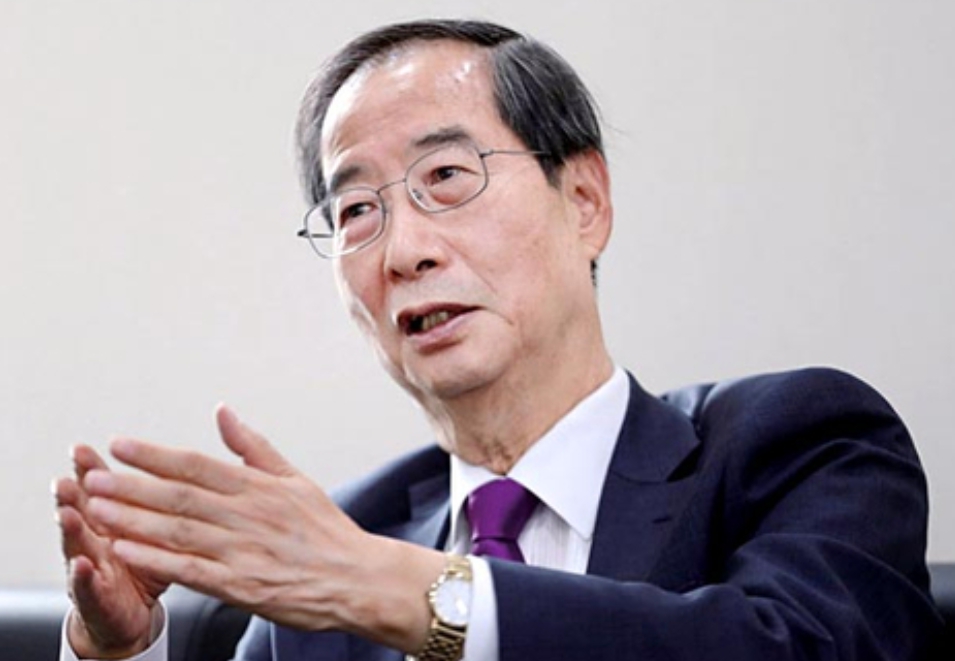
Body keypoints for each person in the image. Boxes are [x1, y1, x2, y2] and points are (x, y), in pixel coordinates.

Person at [54, 18, 944, 661]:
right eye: (356, 210)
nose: (403, 250)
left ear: (584, 202)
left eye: (446, 175)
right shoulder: (339, 541)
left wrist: (404, 593)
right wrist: (114, 651)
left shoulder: (793, 442)